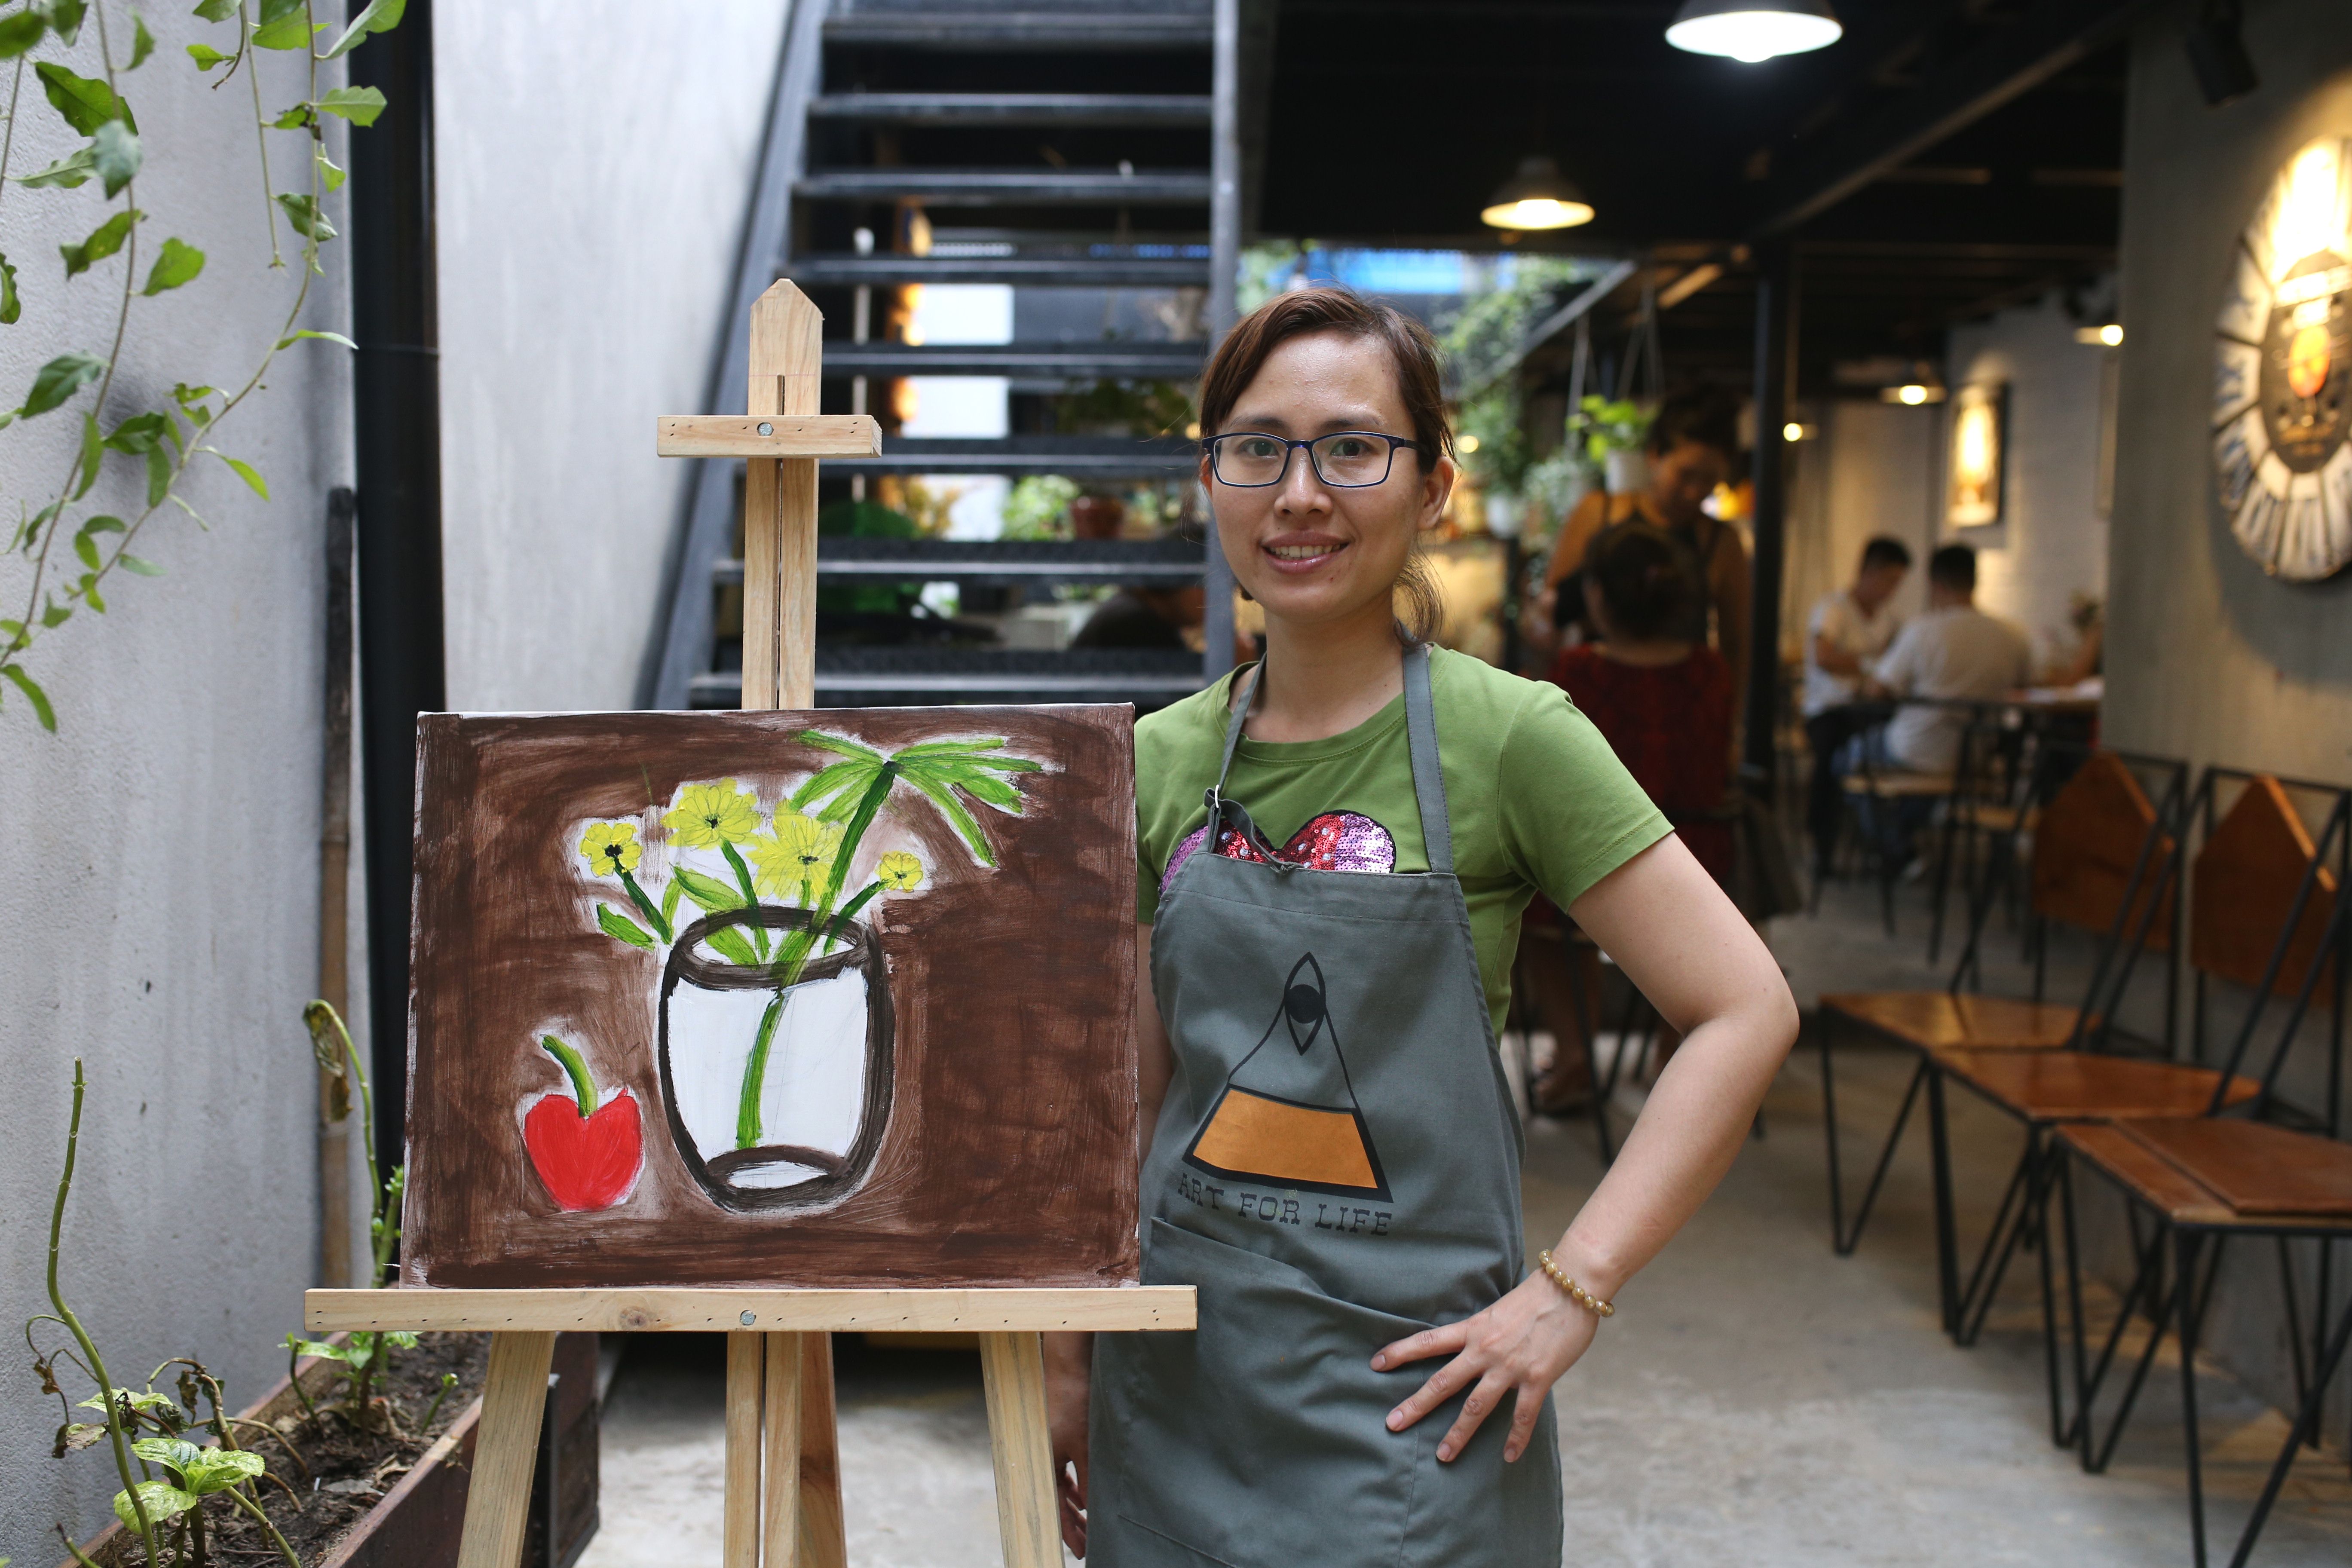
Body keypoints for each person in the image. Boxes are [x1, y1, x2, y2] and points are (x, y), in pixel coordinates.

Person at [1046, 285, 1796, 1565]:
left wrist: (1572, 1290)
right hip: (1177, 1387)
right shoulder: (1157, 759)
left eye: (1352, 448)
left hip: (1418, 1405)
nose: (1299, 495)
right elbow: (1134, 1093)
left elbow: (1744, 1008)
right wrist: (1067, 1351)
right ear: (1210, 480)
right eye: (1258, 448)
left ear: (1433, 488)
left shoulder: (1510, 738)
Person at [1524, 524, 1736, 1112]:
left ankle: (1575, 1056)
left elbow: (1552, 775)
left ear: (1597, 595)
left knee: (1538, 905)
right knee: (1685, 912)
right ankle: (1674, 1051)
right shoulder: (1711, 670)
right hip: (1696, 860)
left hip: (1596, 861)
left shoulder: (1579, 672)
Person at [1526, 385, 1750, 721]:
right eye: (1686, 475)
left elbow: (1737, 643)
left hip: (1683, 715)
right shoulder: (1598, 514)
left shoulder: (1722, 542)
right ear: (1655, 454)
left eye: (1709, 480)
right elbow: (1550, 612)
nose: (1695, 493)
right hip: (1595, 705)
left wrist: (1731, 723)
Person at [1847, 543, 2030, 869]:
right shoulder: (2011, 636)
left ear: (1935, 585)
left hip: (1914, 748)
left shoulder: (1923, 630)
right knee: (1920, 779)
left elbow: (1877, 689)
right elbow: (2029, 688)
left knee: (1847, 757)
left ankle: (1893, 847)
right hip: (1976, 757)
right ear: (1974, 581)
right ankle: (1902, 843)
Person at [1801, 536, 1911, 877]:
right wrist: (1869, 664)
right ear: (1869, 572)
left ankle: (1890, 843)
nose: (1893, 590)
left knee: (1903, 745)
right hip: (1828, 709)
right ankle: (1824, 844)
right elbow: (1824, 657)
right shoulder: (1833, 608)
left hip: (1869, 709)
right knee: (1835, 756)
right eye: (1890, 580)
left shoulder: (1890, 619)